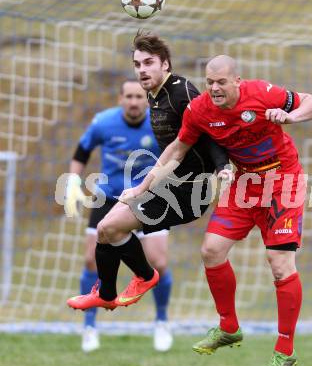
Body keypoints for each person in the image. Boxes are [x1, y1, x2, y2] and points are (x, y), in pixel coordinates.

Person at [119, 55, 312, 366]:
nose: (213, 88)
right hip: (243, 183)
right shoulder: (200, 109)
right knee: (211, 251)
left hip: (283, 181)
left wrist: (290, 116)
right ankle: (228, 326)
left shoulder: (262, 93)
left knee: (280, 263)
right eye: (209, 81)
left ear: (237, 81)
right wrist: (142, 187)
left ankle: (284, 350)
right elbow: (176, 150)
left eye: (221, 82)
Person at [66, 33, 230, 334]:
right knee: (106, 228)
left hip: (190, 190)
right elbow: (176, 148)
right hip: (171, 184)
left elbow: (212, 130)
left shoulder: (181, 92)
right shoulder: (155, 96)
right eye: (137, 64)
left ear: (165, 64)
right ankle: (108, 294)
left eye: (149, 63)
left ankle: (143, 281)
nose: (142, 69)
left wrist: (222, 167)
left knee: (116, 231)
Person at [65, 79, 173, 352]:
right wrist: (72, 182)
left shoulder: (159, 123)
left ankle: (161, 321)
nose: (134, 102)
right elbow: (81, 151)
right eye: (129, 96)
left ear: (146, 99)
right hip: (108, 197)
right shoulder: (103, 122)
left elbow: (177, 151)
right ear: (120, 98)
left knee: (158, 262)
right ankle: (90, 326)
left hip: (149, 197)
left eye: (139, 96)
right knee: (91, 260)